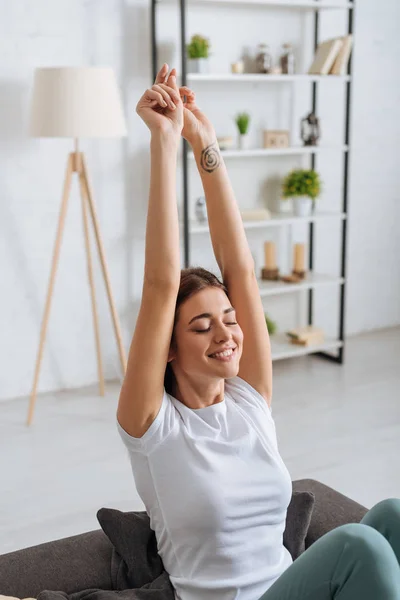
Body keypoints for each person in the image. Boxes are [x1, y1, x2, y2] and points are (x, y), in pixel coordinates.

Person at [116, 63, 400, 600]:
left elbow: (240, 267)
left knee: (392, 516)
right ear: (169, 350)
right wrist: (163, 140)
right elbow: (159, 282)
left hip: (288, 589)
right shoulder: (153, 428)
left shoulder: (249, 401)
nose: (226, 333)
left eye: (229, 319)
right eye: (202, 326)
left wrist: (204, 141)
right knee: (358, 547)